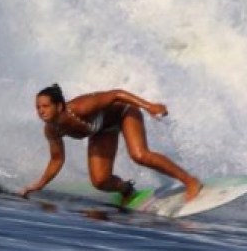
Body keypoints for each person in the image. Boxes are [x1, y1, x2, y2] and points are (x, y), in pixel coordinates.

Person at [20, 84, 202, 204]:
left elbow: (116, 95)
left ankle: (190, 181)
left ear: (59, 106)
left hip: (124, 113)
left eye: (45, 106)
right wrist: (39, 185)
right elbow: (57, 160)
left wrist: (149, 106)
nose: (41, 111)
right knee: (100, 181)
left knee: (139, 155)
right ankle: (127, 190)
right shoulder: (52, 130)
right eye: (38, 107)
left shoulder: (80, 108)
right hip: (101, 130)